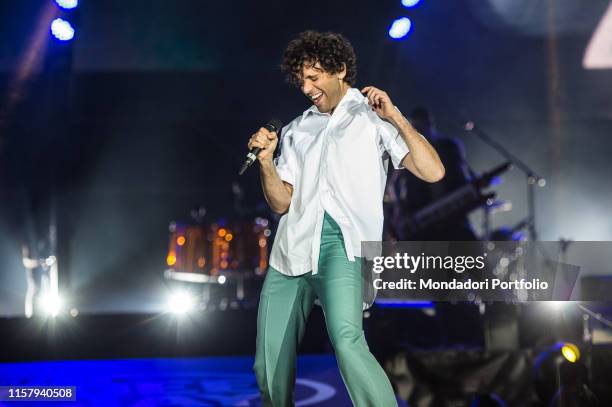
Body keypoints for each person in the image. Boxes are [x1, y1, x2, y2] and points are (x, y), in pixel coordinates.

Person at [248, 31, 445, 406]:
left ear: (340, 70)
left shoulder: (374, 118)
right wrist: (266, 162)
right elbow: (280, 203)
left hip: (343, 246)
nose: (306, 87)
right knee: (268, 363)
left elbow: (433, 172)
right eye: (301, 79)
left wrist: (396, 116)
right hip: (291, 251)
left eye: (314, 76)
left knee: (347, 341)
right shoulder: (296, 129)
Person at [385, 107, 478, 241]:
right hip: (421, 215)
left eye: (420, 127)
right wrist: (400, 209)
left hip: (453, 215)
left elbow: (462, 175)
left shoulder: (449, 147)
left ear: (429, 124)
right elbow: (393, 184)